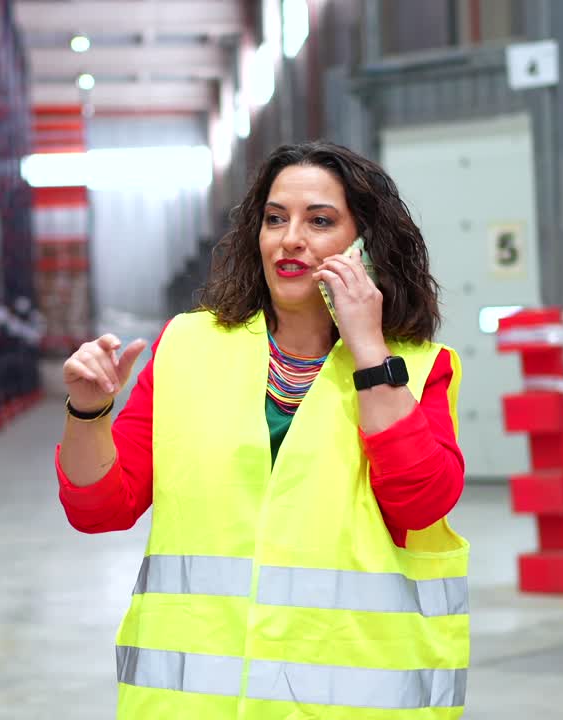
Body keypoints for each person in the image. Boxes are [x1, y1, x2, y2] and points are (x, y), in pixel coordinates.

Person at [56, 141, 470, 719]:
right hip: (191, 706)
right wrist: (87, 411)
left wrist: (369, 349)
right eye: (275, 219)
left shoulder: (415, 368)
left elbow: (419, 502)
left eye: (319, 221)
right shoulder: (186, 348)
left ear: (366, 244)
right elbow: (99, 508)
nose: (290, 239)